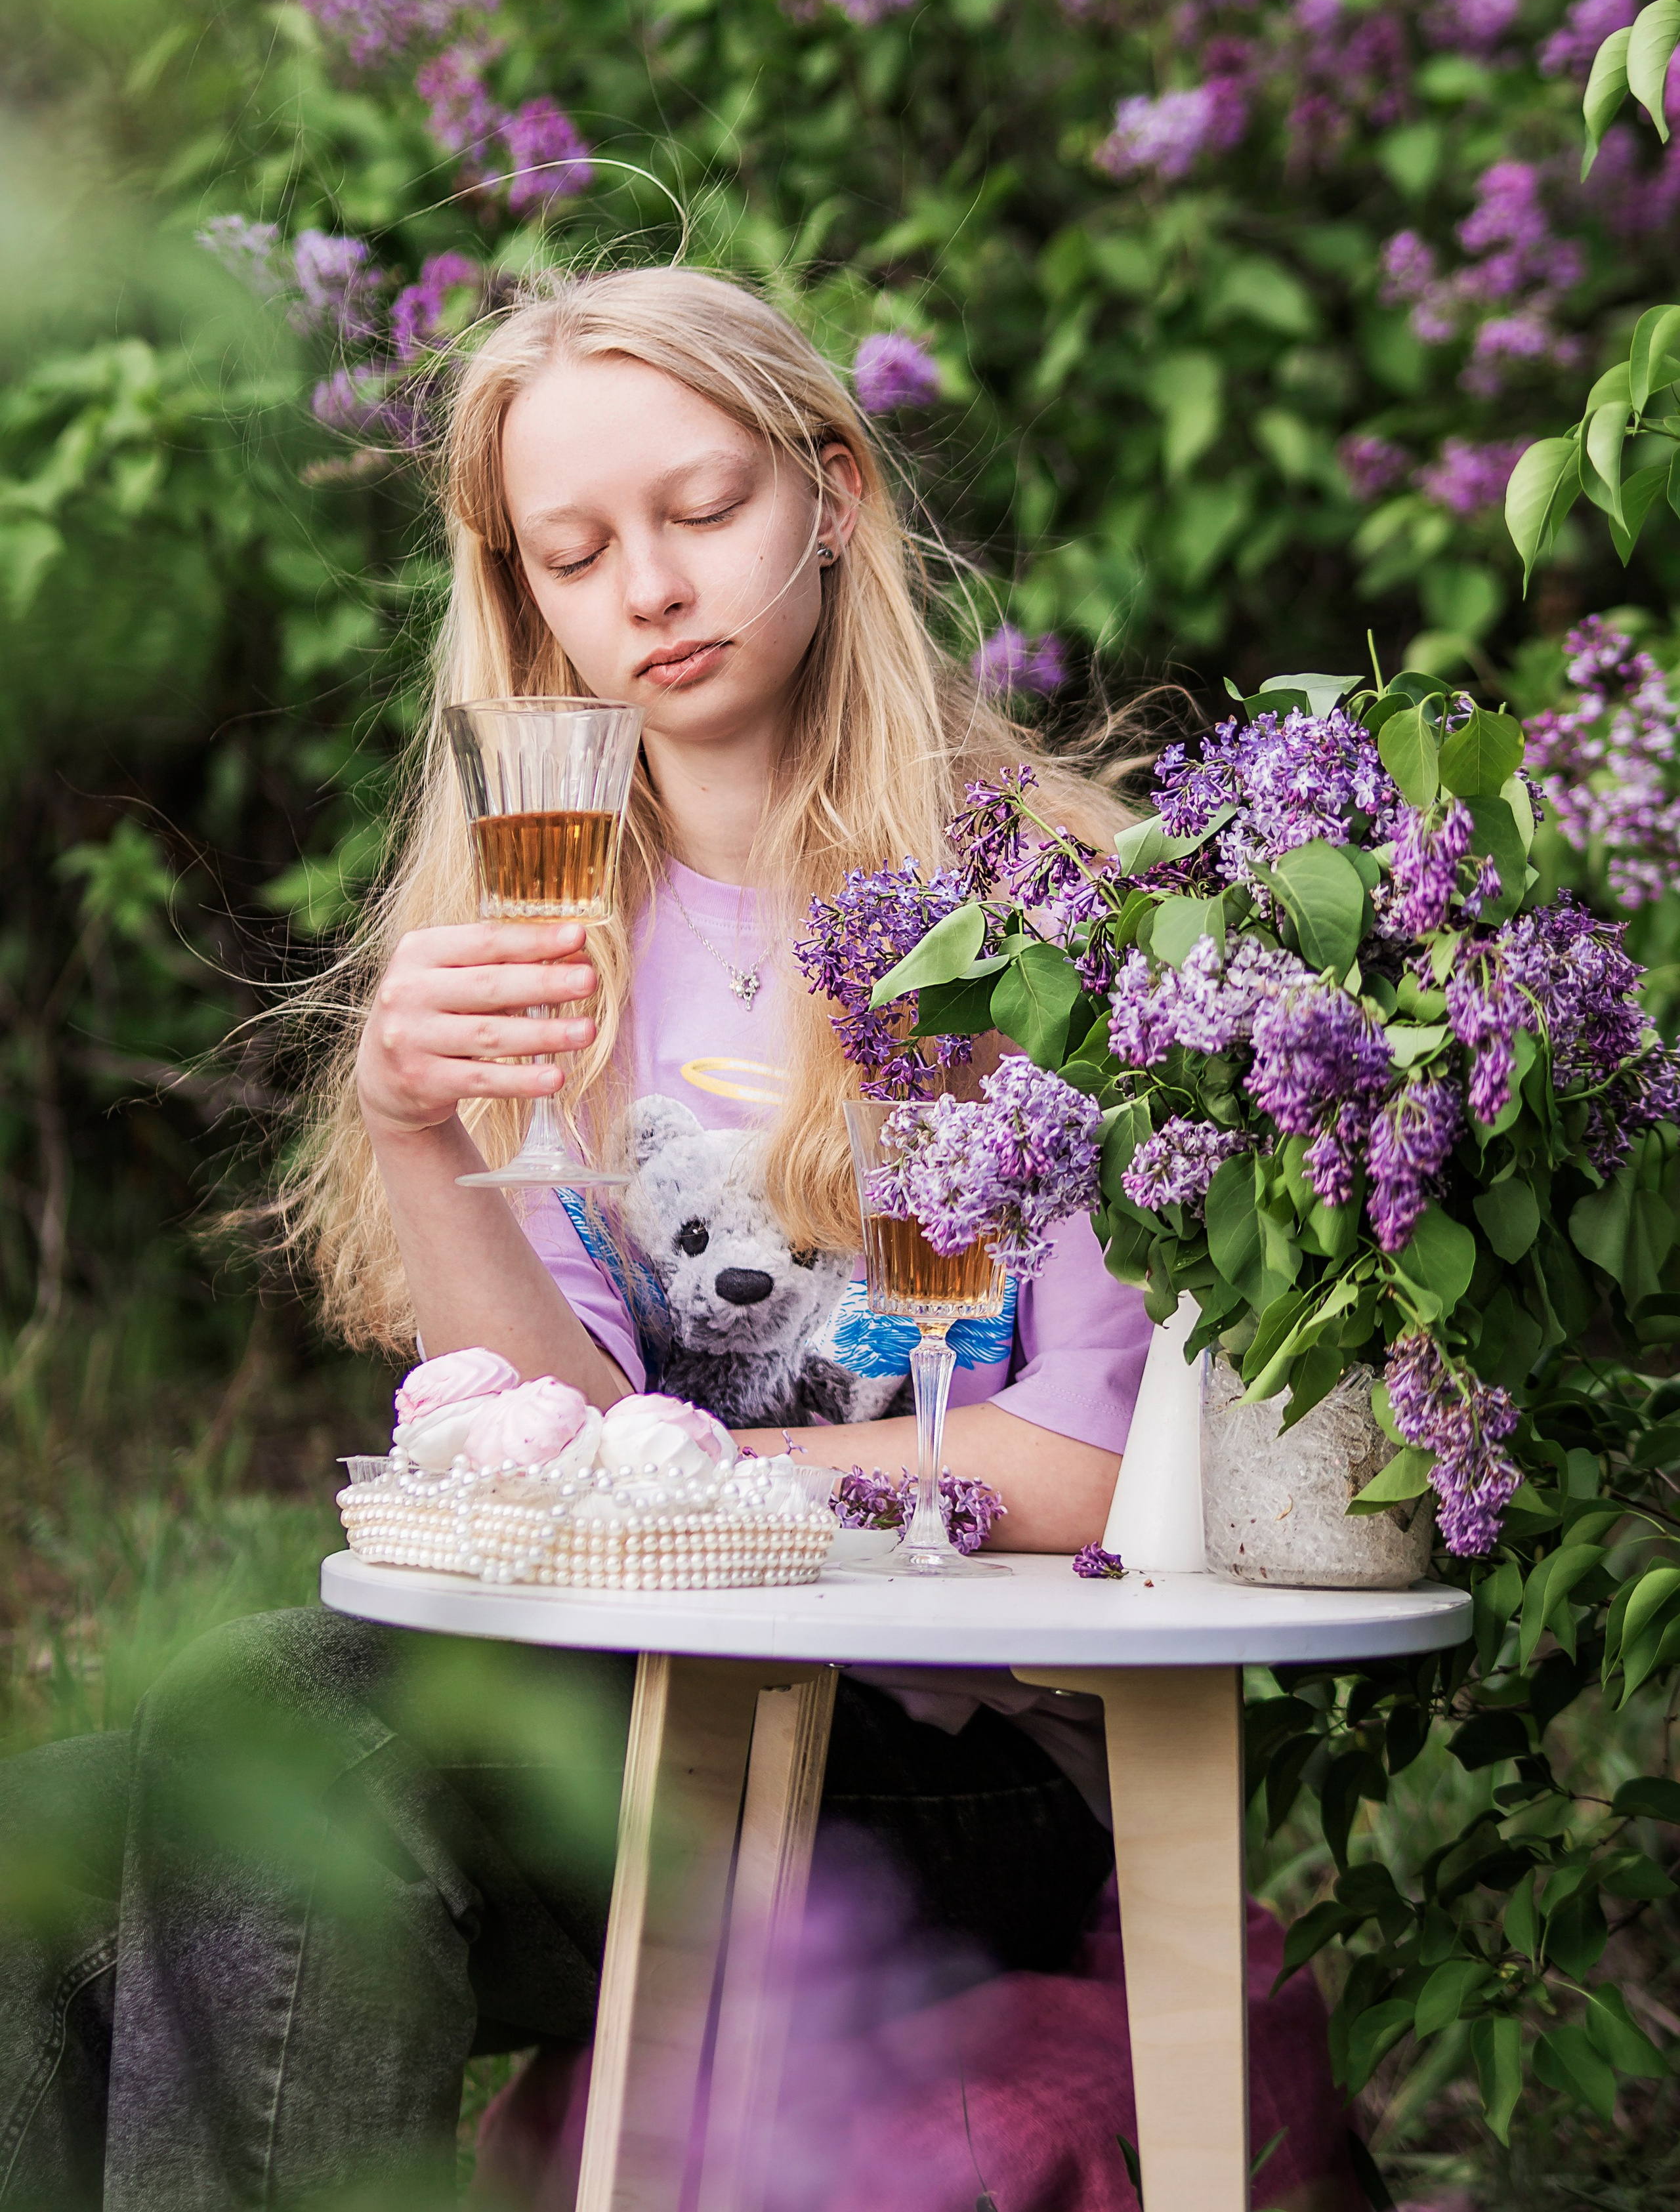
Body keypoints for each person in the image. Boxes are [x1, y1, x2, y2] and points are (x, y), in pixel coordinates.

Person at [0, 270, 1335, 2209]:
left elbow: (1092, 1465)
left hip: (947, 1764)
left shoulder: (1050, 914)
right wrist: (409, 1126)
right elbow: (568, 1432)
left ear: (834, 493)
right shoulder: (551, 925)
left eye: (702, 508)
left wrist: (717, 1473)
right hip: (622, 1718)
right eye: (577, 549)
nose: (651, 586)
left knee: (280, 1711)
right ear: (522, 592)